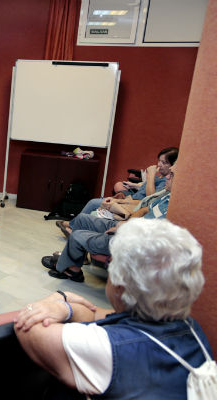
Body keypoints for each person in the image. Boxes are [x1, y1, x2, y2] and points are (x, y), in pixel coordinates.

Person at [14, 218, 212, 399]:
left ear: (120, 287)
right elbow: (99, 314)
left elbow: (28, 328)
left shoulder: (109, 348)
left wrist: (56, 298)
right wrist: (67, 308)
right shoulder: (191, 328)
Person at [44, 164, 175, 282]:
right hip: (129, 225)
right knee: (83, 218)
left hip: (133, 239)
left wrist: (126, 228)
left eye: (172, 175)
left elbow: (151, 233)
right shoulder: (166, 196)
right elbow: (144, 209)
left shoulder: (176, 207)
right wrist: (125, 223)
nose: (168, 176)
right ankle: (75, 259)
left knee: (77, 235)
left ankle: (72, 271)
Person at [57, 146, 178, 237]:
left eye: (164, 162)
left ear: (173, 165)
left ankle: (73, 226)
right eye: (159, 161)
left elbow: (150, 197)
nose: (159, 165)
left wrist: (151, 175)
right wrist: (136, 185)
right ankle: (75, 225)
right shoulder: (161, 177)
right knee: (117, 187)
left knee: (94, 202)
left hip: (135, 202)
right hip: (132, 197)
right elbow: (145, 188)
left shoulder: (167, 183)